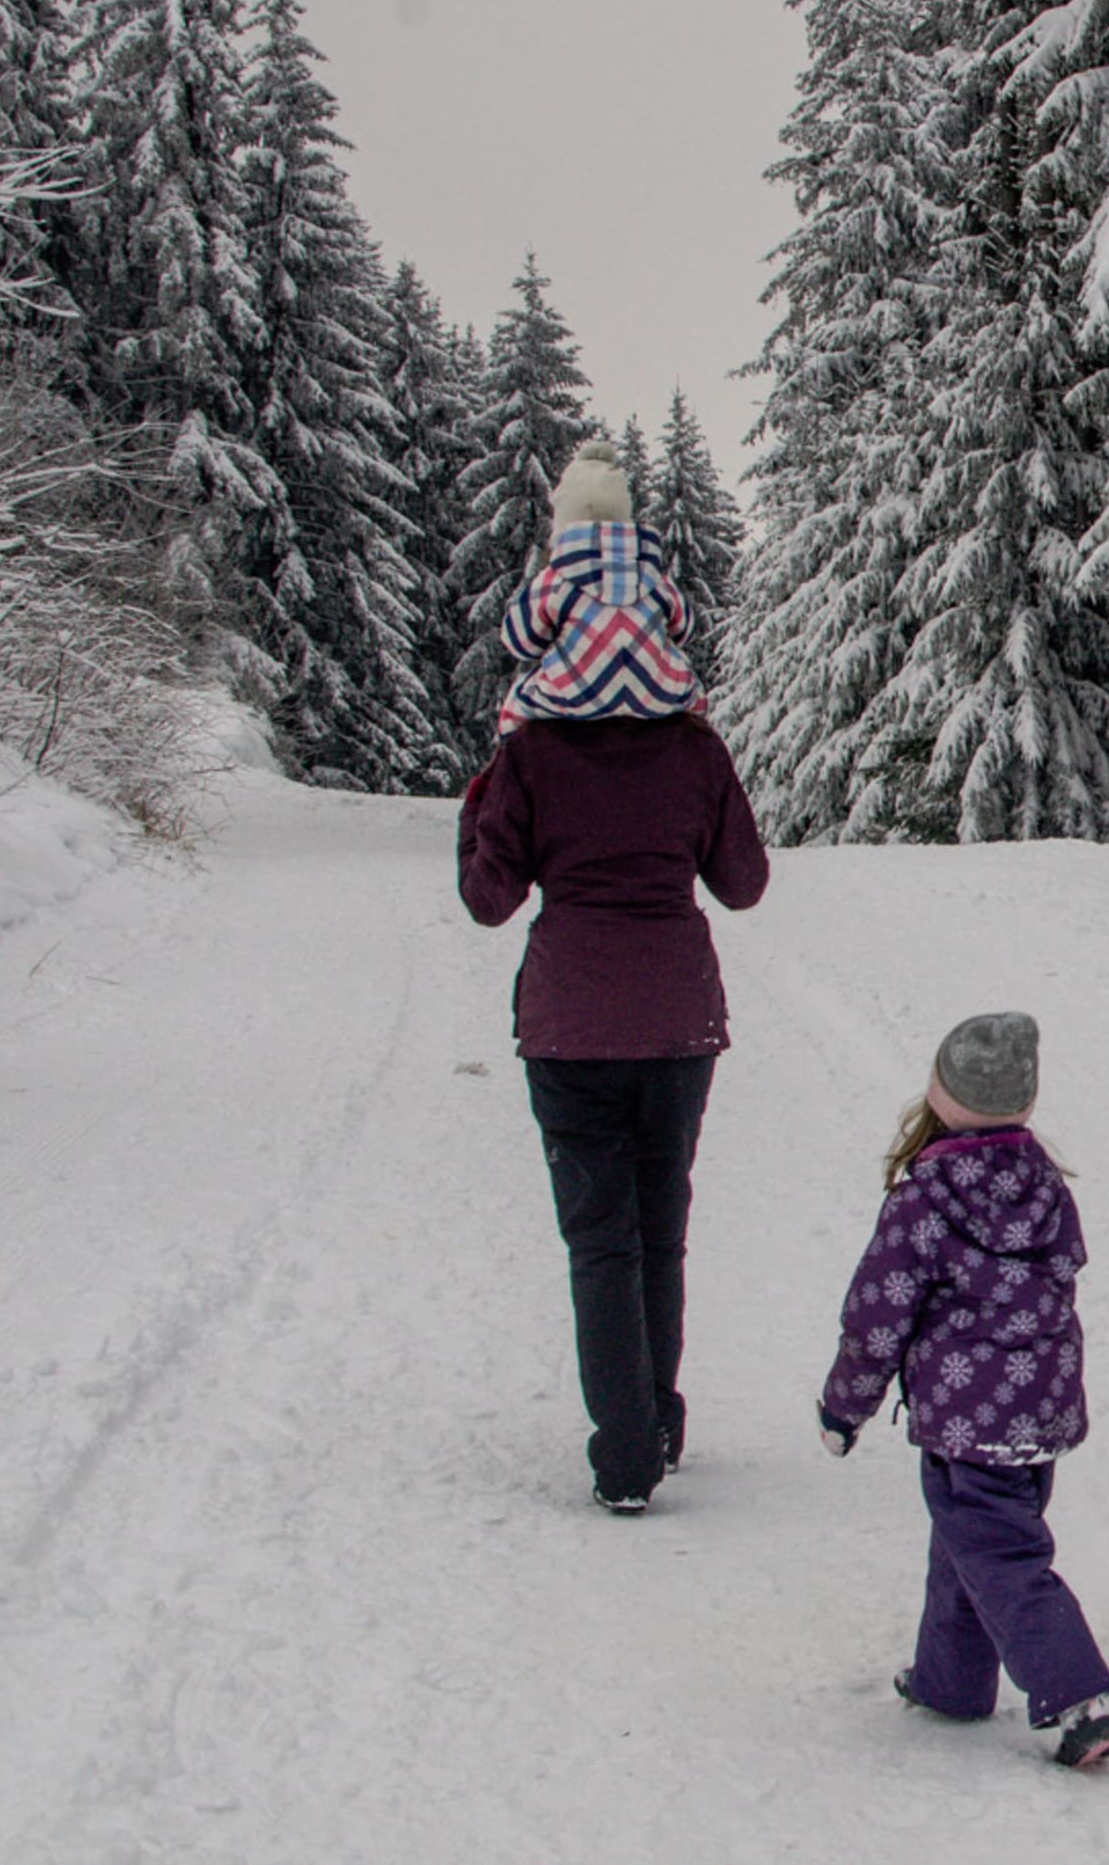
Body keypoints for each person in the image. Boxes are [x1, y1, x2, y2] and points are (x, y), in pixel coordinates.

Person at [457, 449, 769, 1514]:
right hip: (680, 1016)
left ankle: (626, 1452)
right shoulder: (693, 743)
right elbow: (745, 883)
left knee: (600, 1240)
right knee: (659, 1227)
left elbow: (490, 898)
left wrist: (482, 796)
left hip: (569, 1022)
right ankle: (662, 1422)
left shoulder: (532, 749)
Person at [819, 1014, 1109, 1770]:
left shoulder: (922, 1198)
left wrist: (844, 1405)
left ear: (939, 1095)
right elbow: (1065, 1271)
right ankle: (950, 1682)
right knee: (971, 1544)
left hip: (965, 1417)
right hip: (1041, 1411)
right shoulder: (1046, 1186)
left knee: (1001, 1554)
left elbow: (877, 1312)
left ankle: (1077, 1694)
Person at [494, 436, 706, 733]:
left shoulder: (555, 581)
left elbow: (519, 641)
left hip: (572, 695)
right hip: (660, 695)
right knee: (694, 697)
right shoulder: (655, 578)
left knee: (516, 705)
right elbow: (685, 629)